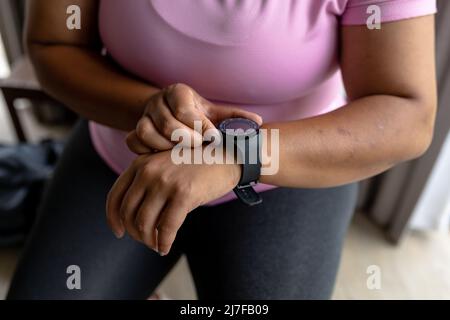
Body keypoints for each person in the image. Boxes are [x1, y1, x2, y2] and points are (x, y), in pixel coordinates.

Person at [7, 0, 437, 299]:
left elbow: (405, 113)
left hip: (290, 174)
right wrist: (146, 109)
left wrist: (238, 153)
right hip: (121, 158)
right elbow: (55, 43)